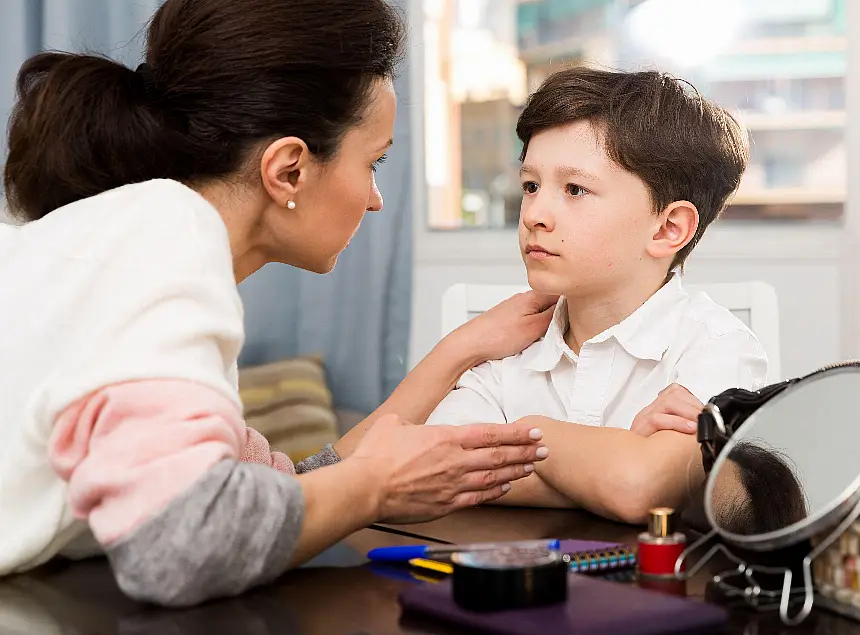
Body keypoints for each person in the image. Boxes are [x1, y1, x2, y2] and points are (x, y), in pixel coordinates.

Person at [0, 0, 557, 608]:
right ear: (289, 169)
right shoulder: (165, 230)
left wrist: (460, 351)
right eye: (373, 163)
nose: (374, 200)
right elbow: (182, 543)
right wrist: (379, 485)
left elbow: (275, 496)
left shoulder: (127, 234)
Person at [420, 68, 769, 524]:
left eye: (575, 189)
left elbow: (636, 486)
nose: (535, 215)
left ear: (668, 228)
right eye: (530, 186)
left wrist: (528, 436)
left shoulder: (719, 348)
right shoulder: (507, 343)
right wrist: (616, 458)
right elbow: (440, 467)